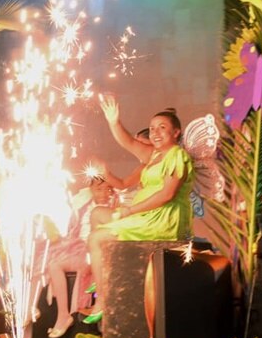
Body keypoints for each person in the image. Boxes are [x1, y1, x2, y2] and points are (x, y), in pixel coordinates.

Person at [81, 95, 195, 324]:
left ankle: (103, 299)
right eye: (152, 128)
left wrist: (130, 211)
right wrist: (114, 122)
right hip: (145, 214)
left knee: (96, 238)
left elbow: (167, 194)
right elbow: (128, 143)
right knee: (97, 214)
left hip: (163, 218)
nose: (155, 132)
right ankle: (106, 275)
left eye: (162, 127)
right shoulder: (153, 155)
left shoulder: (178, 156)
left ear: (176, 132)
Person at [43, 165, 120, 338]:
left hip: (99, 253)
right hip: (80, 249)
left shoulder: (114, 207)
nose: (102, 193)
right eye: (98, 188)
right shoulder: (83, 207)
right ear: (91, 189)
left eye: (107, 188)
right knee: (54, 264)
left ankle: (101, 313)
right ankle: (63, 315)